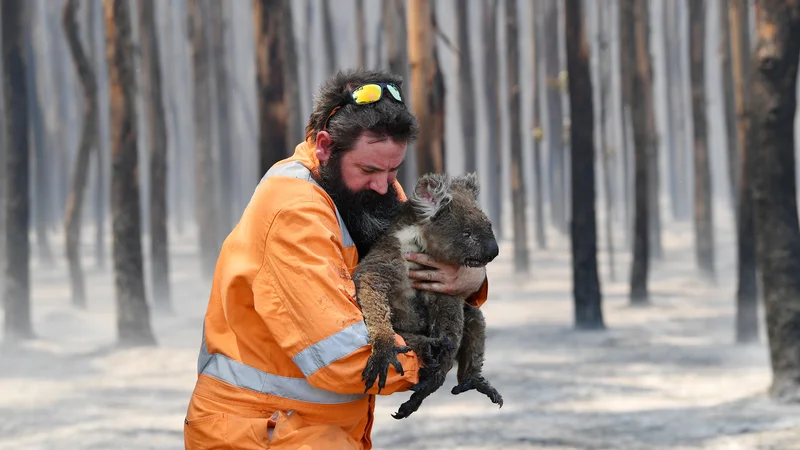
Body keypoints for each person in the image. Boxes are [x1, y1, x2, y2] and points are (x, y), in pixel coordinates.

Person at [183, 69, 491, 450]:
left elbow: (426, 257)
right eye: (370, 169)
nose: (385, 184)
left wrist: (472, 280)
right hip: (260, 433)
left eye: (394, 169)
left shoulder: (364, 191)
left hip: (311, 431)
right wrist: (435, 355)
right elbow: (342, 357)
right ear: (325, 147)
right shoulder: (294, 213)